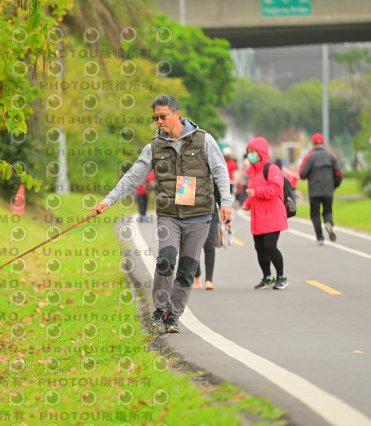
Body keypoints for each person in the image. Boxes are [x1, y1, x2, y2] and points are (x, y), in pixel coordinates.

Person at [93, 94, 233, 333]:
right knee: (166, 259)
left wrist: (227, 203)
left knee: (188, 268)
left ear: (177, 114)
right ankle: (160, 308)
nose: (159, 121)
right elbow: (133, 177)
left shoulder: (203, 140)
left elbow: (220, 172)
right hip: (169, 215)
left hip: (200, 216)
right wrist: (108, 201)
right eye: (155, 117)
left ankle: (173, 315)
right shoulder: (154, 147)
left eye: (163, 116)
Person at [242, 137, 289, 290]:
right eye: (248, 152)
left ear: (261, 153)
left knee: (270, 246)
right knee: (259, 248)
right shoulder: (253, 173)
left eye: (252, 152)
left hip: (273, 216)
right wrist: (247, 203)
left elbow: (275, 189)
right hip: (258, 217)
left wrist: (256, 192)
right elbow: (252, 193)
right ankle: (267, 277)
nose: (250, 155)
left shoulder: (272, 169)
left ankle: (281, 276)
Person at [299, 133, 343, 245]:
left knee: (315, 214)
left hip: (314, 191)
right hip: (328, 190)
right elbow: (339, 173)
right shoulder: (332, 156)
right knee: (327, 211)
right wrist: (335, 185)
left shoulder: (309, 156)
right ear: (323, 143)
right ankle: (328, 223)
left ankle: (320, 237)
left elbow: (302, 173)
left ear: (313, 144)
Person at [193, 184, 228, 291]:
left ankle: (209, 280)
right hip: (192, 216)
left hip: (211, 215)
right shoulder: (187, 176)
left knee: (209, 245)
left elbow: (220, 198)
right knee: (193, 248)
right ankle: (197, 276)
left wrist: (227, 218)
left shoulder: (211, 176)